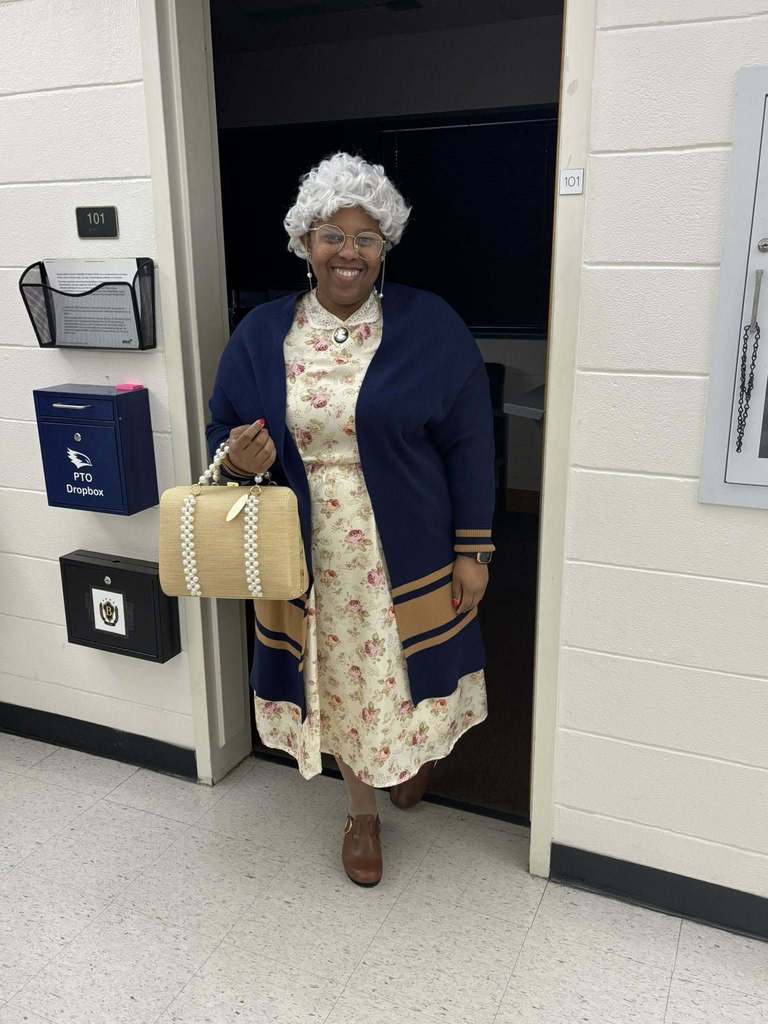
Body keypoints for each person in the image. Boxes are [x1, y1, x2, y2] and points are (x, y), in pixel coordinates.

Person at [205, 151, 496, 887]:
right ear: (305, 242)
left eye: (367, 238)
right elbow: (222, 431)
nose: (349, 252)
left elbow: (470, 441)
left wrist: (474, 549)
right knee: (336, 679)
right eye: (333, 235)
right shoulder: (261, 334)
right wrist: (237, 459)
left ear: (385, 247)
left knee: (404, 671)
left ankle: (408, 756)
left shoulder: (431, 326)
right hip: (309, 554)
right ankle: (361, 812)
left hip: (410, 546)